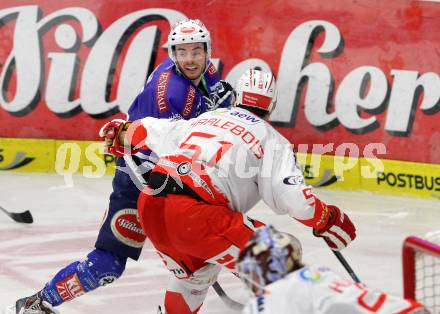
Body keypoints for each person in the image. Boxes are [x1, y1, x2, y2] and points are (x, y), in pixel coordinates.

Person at [12, 19, 233, 314]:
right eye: (182, 52)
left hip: (170, 175)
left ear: (207, 51)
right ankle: (37, 303)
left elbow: (212, 103)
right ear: (172, 54)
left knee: (201, 253)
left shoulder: (204, 70)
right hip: (140, 178)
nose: (190, 59)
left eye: (196, 51)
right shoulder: (170, 96)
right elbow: (182, 145)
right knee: (109, 263)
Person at [99, 69, 357, 313]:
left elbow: (149, 129)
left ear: (236, 97)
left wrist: (122, 133)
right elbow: (296, 201)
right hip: (198, 217)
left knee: (196, 278)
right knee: (286, 251)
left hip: (152, 207)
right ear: (271, 107)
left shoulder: (208, 118)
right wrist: (328, 219)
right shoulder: (272, 139)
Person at [237, 225, 431, 314]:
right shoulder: (318, 273)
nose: (251, 280)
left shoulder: (276, 294)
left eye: (253, 272)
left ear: (272, 266)